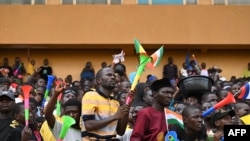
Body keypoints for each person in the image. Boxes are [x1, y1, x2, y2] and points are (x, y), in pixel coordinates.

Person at [81, 67, 131, 140]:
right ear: (99, 80)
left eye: (114, 76)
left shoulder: (115, 103)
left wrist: (127, 106)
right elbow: (88, 125)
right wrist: (115, 116)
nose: (113, 77)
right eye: (109, 75)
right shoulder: (90, 96)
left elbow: (120, 132)